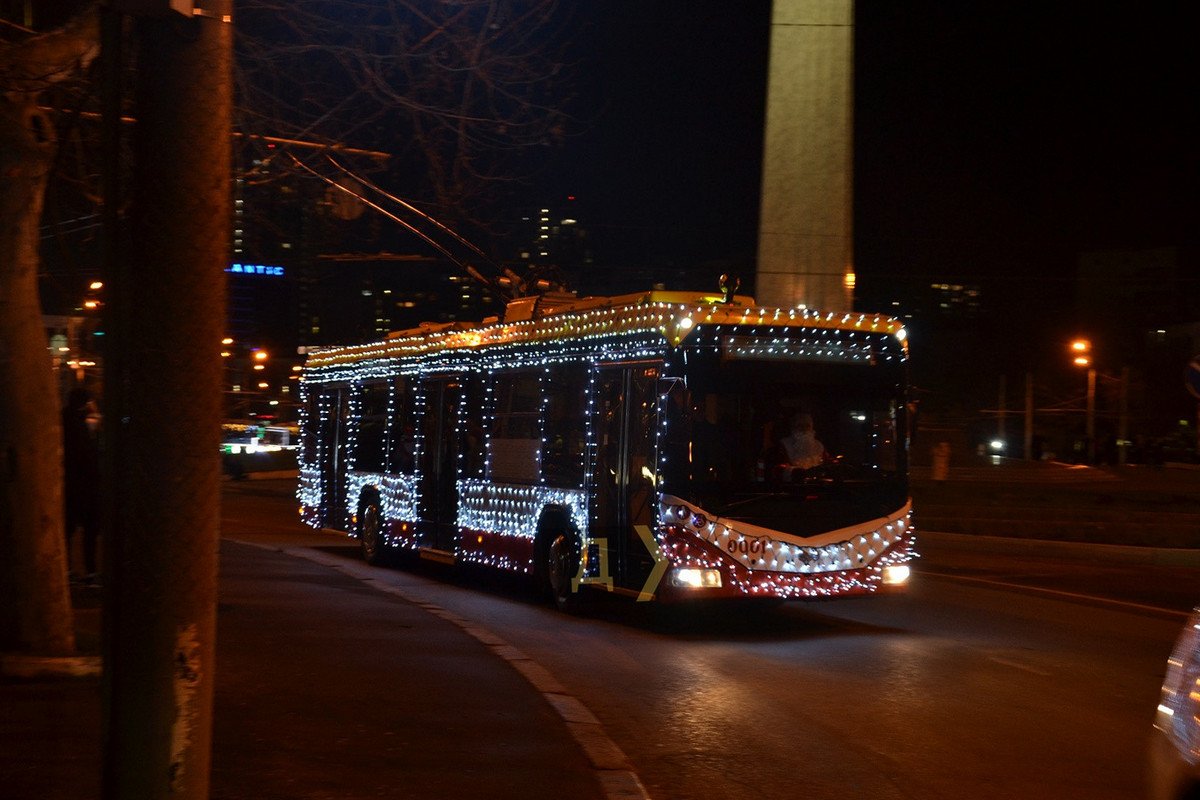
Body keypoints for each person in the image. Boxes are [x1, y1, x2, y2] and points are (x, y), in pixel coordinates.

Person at [62, 387, 101, 586]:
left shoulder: (64, 420)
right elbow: (88, 456)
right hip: (84, 486)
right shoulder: (81, 424)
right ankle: (91, 570)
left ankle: (67, 569)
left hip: (69, 485)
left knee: (68, 530)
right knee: (90, 530)